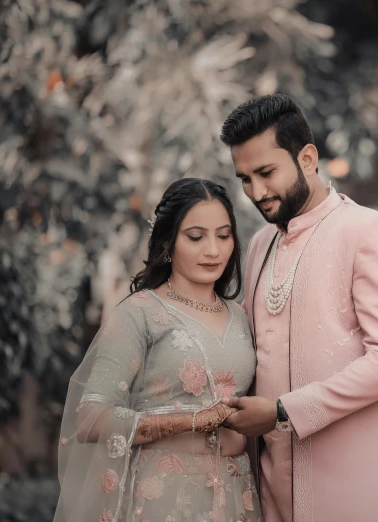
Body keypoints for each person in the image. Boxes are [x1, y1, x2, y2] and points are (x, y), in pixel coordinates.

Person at [218, 94, 378, 522]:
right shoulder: (259, 245)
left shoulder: (369, 231)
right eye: (244, 178)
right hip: (272, 487)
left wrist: (281, 412)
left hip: (357, 488)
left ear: (307, 157)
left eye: (266, 173)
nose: (256, 192)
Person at [54, 178, 262, 522]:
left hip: (236, 494)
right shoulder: (141, 312)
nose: (213, 250)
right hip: (163, 496)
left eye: (223, 236)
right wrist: (191, 421)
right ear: (168, 242)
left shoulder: (241, 317)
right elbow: (90, 419)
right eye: (196, 237)